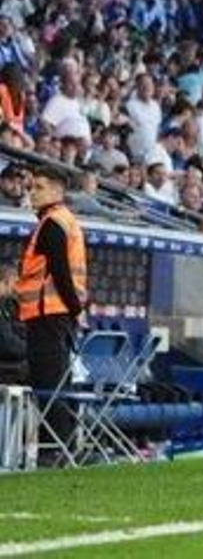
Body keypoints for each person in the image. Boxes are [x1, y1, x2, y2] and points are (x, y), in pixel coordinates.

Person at [17, 166, 87, 463]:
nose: (32, 192)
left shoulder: (52, 223)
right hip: (57, 316)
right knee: (59, 382)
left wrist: (74, 308)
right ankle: (66, 447)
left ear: (58, 191)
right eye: (32, 187)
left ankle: (53, 450)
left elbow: (59, 272)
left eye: (39, 187)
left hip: (48, 316)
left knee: (49, 384)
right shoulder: (65, 221)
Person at [0, 263, 29, 385]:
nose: (15, 287)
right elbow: (6, 343)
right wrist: (32, 349)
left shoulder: (5, 305)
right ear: (3, 282)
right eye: (14, 282)